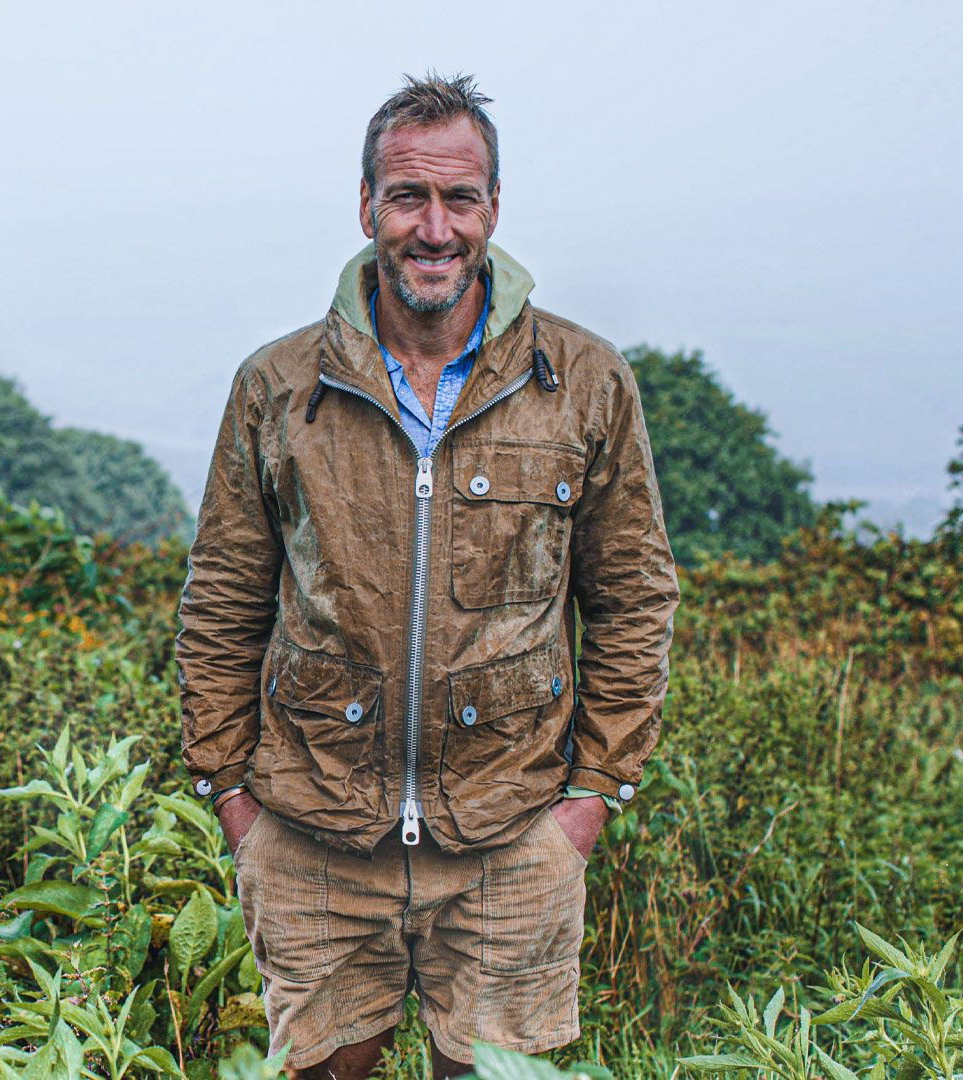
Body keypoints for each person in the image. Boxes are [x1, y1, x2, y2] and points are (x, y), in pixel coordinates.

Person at [175, 73, 679, 1079]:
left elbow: (632, 596)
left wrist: (588, 801)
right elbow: (223, 602)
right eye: (408, 196)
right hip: (312, 831)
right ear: (367, 207)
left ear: (495, 208)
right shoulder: (278, 385)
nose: (434, 227)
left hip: (514, 832)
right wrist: (234, 797)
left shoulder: (584, 381)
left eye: (460, 199)